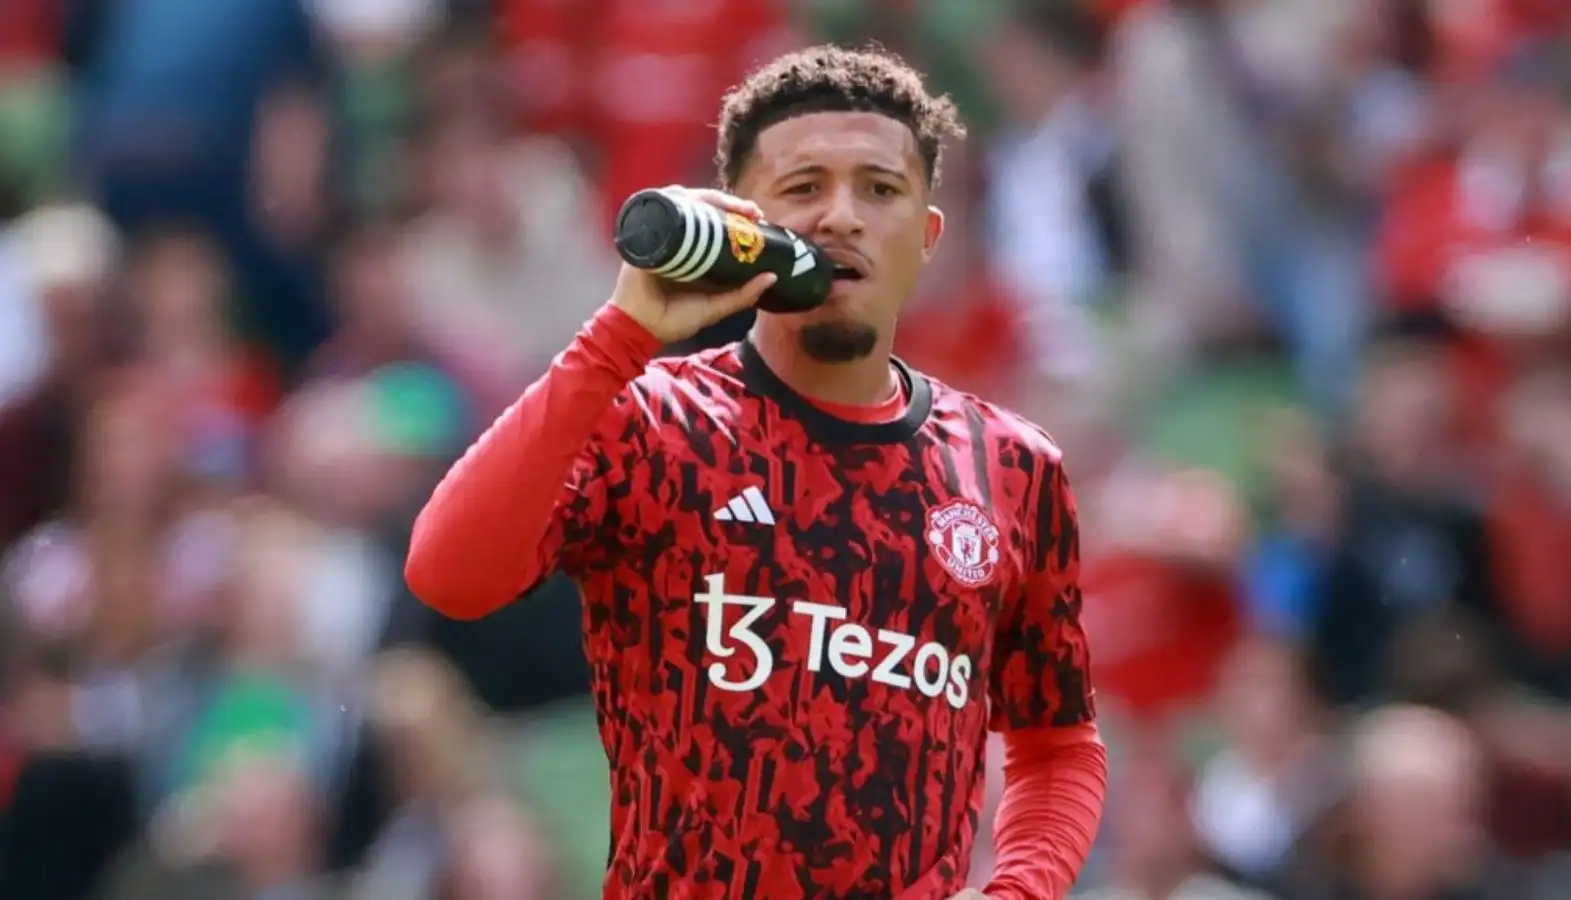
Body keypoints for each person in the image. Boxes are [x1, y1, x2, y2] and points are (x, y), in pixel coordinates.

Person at [405, 44, 1108, 900]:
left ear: (926, 235)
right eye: (804, 188)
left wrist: (1020, 893)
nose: (841, 217)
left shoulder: (1013, 468)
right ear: (744, 219)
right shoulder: (650, 420)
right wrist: (621, 334)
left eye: (879, 190)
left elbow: (1058, 744)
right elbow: (449, 574)